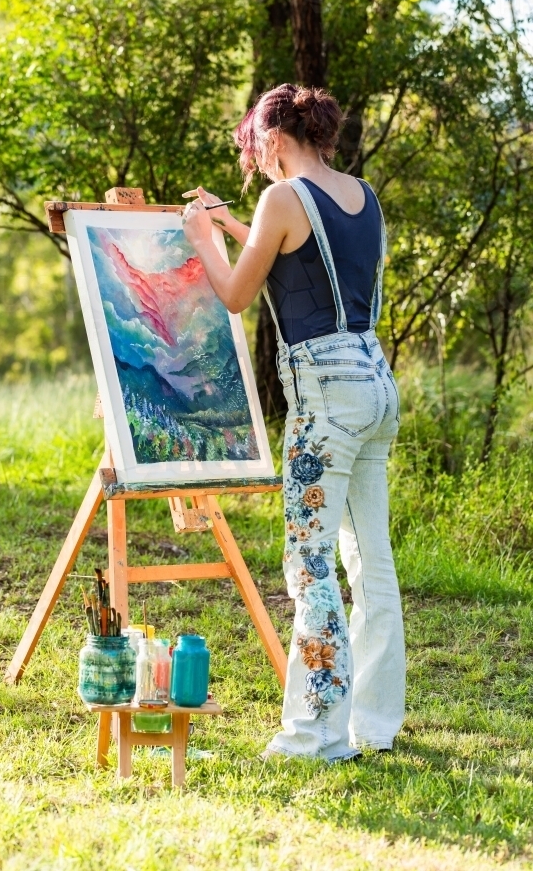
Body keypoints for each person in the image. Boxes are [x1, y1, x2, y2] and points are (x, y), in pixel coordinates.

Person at [181, 83, 405, 763]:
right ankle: (373, 725)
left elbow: (236, 293)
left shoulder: (282, 197)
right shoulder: (361, 195)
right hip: (373, 383)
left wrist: (200, 238)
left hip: (326, 397)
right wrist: (229, 225)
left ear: (274, 138)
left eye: (257, 147)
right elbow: (297, 261)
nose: (259, 160)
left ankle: (315, 734)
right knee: (371, 562)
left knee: (309, 564)